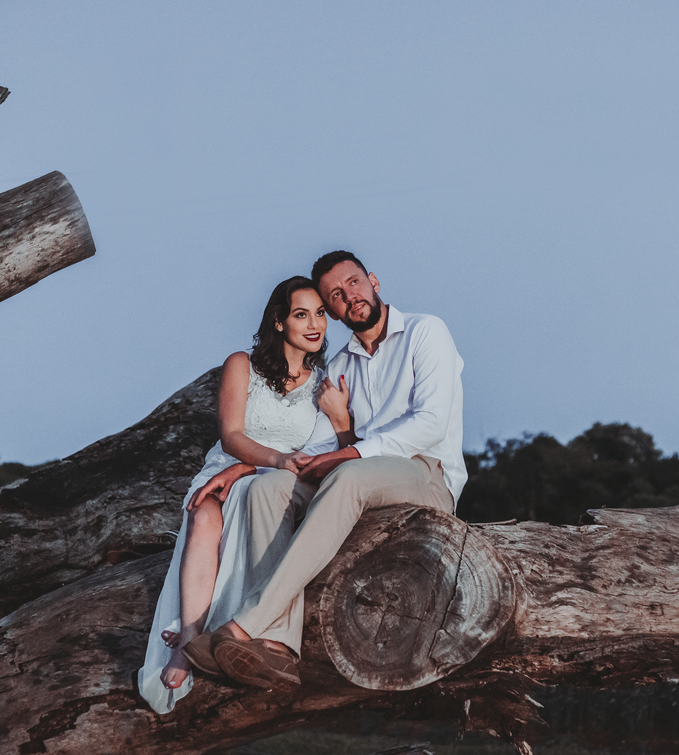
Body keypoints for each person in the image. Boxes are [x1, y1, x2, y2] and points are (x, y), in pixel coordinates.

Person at [184, 250, 465, 689]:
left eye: (353, 283)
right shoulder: (338, 367)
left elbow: (429, 424)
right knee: (269, 488)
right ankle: (277, 648)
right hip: (361, 476)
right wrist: (247, 468)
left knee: (348, 476)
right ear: (333, 311)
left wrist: (350, 454)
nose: (348, 296)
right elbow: (314, 448)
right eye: (335, 295)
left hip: (425, 473)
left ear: (373, 281)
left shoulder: (425, 331)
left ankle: (243, 625)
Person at [137, 276, 347, 713]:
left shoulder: (323, 385)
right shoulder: (242, 365)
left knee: (257, 495)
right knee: (204, 513)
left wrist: (272, 464)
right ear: (279, 321)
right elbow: (231, 434)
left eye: (320, 314)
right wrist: (267, 460)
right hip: (230, 465)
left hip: (273, 480)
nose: (315, 325)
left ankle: (230, 629)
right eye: (301, 314)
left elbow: (320, 453)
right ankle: (189, 639)